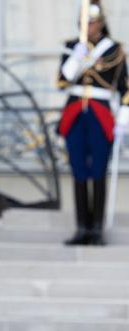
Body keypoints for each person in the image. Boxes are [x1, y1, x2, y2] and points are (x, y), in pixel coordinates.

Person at [57, 1, 129, 246]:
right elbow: (61, 82)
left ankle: (97, 228)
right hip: (75, 112)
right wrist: (76, 59)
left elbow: (125, 89)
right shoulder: (71, 47)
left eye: (93, 21)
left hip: (100, 113)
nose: (89, 25)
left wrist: (123, 118)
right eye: (85, 21)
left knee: (98, 169)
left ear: (101, 23)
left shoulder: (114, 50)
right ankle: (81, 227)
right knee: (78, 169)